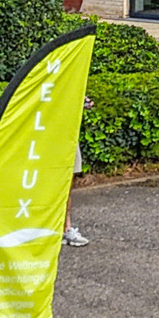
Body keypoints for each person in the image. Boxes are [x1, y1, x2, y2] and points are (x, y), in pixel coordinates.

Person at [64, 94, 93, 246]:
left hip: (67, 138)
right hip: (46, 139)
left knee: (67, 185)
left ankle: (66, 229)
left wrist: (82, 101)